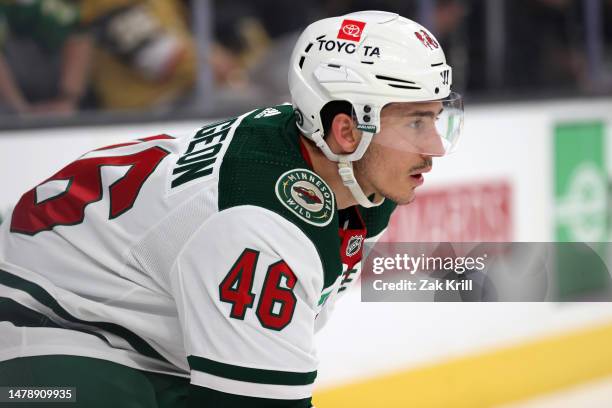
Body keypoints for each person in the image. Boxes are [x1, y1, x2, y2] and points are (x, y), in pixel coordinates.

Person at [0, 10, 463, 408]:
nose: (436, 147)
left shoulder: (335, 164)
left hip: (109, 329)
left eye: (436, 118)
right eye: (417, 122)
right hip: (32, 330)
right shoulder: (262, 223)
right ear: (345, 130)